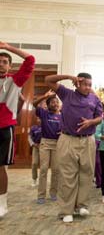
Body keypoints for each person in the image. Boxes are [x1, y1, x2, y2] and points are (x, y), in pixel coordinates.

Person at [45, 72, 103, 223]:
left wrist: (91, 122)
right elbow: (48, 80)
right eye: (85, 84)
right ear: (78, 83)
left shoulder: (94, 98)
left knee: (86, 174)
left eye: (90, 84)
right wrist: (68, 77)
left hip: (88, 140)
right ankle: (66, 210)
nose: (88, 87)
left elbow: (100, 116)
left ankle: (81, 205)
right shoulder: (66, 94)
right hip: (68, 139)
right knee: (67, 175)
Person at [0, 41, 35, 218]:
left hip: (5, 128)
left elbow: (30, 59)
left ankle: (2, 203)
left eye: (5, 61)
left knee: (1, 168)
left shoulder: (15, 80)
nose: (1, 64)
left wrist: (7, 47)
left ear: (10, 65)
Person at [33, 90, 62, 204]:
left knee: (56, 170)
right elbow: (34, 104)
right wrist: (44, 96)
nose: (55, 104)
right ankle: (41, 195)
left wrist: (63, 133)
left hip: (57, 144)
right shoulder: (43, 113)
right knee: (44, 169)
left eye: (57, 102)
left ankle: (53, 193)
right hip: (45, 143)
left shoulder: (61, 116)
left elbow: (66, 128)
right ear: (48, 104)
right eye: (53, 102)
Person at [28, 118, 42, 187]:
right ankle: (34, 179)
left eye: (40, 118)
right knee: (34, 163)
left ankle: (42, 181)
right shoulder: (33, 128)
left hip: (44, 147)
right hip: (35, 147)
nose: (39, 120)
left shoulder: (46, 127)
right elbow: (29, 137)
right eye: (38, 118)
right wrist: (33, 144)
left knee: (43, 165)